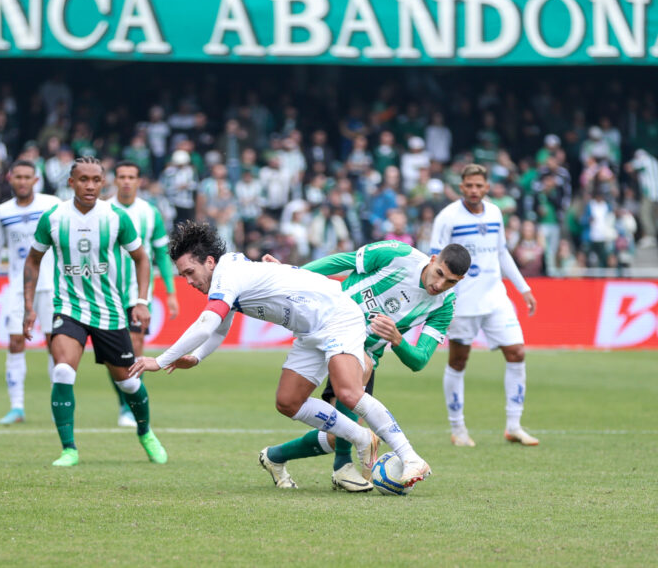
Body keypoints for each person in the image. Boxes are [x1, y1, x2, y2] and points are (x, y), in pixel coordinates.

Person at [129, 221, 432, 492]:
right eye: (183, 276)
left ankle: (411, 457)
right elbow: (220, 329)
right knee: (288, 402)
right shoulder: (227, 274)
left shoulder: (228, 273)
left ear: (209, 262)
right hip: (310, 330)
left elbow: (207, 322)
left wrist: (161, 360)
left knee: (348, 392)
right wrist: (194, 358)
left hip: (337, 315)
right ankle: (362, 438)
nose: (189, 282)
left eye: (189, 273)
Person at [260, 241, 471, 492]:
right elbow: (342, 261)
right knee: (305, 397)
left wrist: (397, 339)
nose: (440, 285)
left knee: (336, 434)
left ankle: (275, 456)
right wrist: (291, 273)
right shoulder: (398, 255)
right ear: (433, 259)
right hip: (329, 320)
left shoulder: (445, 305)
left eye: (451, 282)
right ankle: (344, 466)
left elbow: (419, 360)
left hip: (362, 349)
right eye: (439, 274)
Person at [23, 156, 166, 467]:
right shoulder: (54, 218)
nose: (89, 185)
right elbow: (33, 260)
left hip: (110, 311)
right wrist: (29, 307)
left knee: (128, 383)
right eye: (83, 179)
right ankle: (69, 449)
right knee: (62, 370)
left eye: (95, 180)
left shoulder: (115, 218)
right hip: (68, 307)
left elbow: (143, 259)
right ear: (71, 182)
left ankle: (145, 432)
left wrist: (141, 301)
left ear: (104, 183)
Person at [430, 163, 539, 448]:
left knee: (516, 352)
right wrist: (437, 295)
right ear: (461, 187)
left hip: (495, 298)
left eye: (480, 186)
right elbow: (434, 258)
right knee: (458, 360)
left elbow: (501, 252)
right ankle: (458, 430)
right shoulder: (447, 218)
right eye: (469, 186)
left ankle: (514, 426)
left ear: (487, 187)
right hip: (462, 302)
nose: (475, 190)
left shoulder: (495, 213)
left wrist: (523, 288)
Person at [0, 160, 60, 425]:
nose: (23, 181)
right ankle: (17, 408)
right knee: (15, 342)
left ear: (36, 180)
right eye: (19, 177)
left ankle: (57, 405)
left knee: (55, 345)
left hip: (51, 284)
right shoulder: (1, 212)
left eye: (28, 177)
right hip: (18, 286)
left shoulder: (51, 204)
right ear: (10, 179)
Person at [109, 161, 179, 428]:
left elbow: (161, 254)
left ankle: (130, 407)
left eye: (131, 177)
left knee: (136, 346)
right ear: (115, 180)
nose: (126, 181)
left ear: (139, 181)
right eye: (122, 176)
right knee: (113, 356)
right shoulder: (104, 210)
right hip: (106, 293)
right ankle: (123, 402)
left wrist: (171, 292)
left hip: (138, 294)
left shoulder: (150, 213)